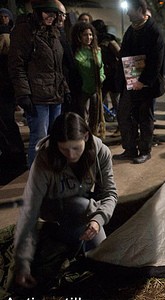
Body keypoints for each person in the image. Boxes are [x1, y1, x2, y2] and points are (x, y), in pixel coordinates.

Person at [11, 112, 117, 294]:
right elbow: (30, 208)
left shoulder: (101, 152)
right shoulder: (44, 158)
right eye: (64, 149)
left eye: (76, 148)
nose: (70, 155)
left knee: (105, 265)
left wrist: (98, 220)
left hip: (85, 209)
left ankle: (78, 246)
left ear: (86, 137)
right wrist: (22, 261)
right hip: (54, 211)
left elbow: (110, 194)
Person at [8, 0, 70, 167]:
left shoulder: (54, 32)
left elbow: (58, 67)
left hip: (55, 94)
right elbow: (17, 65)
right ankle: (35, 178)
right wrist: (23, 94)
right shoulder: (24, 31)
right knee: (39, 138)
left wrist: (65, 89)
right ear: (38, 12)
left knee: (54, 136)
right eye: (47, 13)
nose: (51, 17)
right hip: (37, 96)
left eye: (54, 13)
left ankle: (49, 172)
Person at [113, 0, 165, 164]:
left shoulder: (154, 31)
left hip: (146, 85)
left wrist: (143, 81)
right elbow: (124, 55)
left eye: (130, 10)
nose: (127, 13)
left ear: (140, 10)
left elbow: (156, 61)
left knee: (144, 117)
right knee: (124, 114)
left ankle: (144, 150)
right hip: (130, 82)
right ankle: (129, 148)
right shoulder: (131, 30)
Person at [0, 8, 27, 183]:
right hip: (6, 91)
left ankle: (15, 162)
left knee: (6, 125)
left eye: (5, 17)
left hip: (5, 92)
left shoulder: (10, 43)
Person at [71, 21, 106, 138]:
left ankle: (93, 139)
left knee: (95, 117)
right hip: (81, 89)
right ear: (79, 36)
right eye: (85, 35)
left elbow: (101, 68)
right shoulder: (75, 52)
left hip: (95, 89)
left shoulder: (97, 51)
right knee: (82, 116)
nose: (89, 37)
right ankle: (82, 139)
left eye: (91, 35)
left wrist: (101, 77)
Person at [92, 19, 121, 135]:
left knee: (117, 102)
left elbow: (120, 53)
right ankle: (99, 125)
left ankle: (121, 127)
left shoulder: (108, 40)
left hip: (113, 76)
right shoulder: (94, 41)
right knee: (99, 102)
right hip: (102, 76)